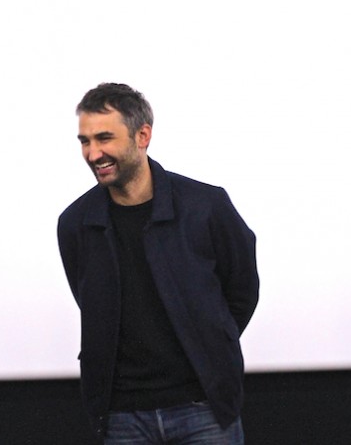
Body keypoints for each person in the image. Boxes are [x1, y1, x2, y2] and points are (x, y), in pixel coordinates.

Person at [57, 83, 259, 444]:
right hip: (122, 416)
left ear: (143, 135)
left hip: (203, 408)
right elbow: (89, 301)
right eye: (84, 141)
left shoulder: (205, 206)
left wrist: (212, 344)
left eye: (104, 138)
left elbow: (242, 291)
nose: (93, 153)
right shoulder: (76, 224)